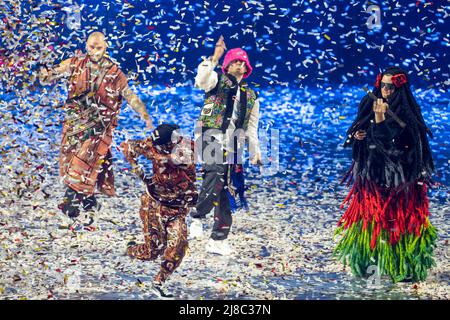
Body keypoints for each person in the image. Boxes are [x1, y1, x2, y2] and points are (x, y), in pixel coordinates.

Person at [39, 31, 153, 230]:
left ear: (105, 47)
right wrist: (43, 71)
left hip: (98, 129)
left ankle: (69, 207)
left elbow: (129, 95)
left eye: (99, 48)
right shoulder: (75, 63)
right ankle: (90, 204)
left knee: (81, 167)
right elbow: (50, 75)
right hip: (74, 126)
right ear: (86, 45)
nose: (95, 51)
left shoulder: (114, 72)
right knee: (70, 168)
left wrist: (145, 115)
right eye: (92, 47)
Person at [335, 67, 437, 282]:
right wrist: (358, 136)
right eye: (383, 85)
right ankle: (370, 262)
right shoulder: (369, 104)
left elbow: (393, 145)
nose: (385, 90)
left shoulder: (405, 113)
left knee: (401, 220)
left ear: (399, 88)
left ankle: (405, 264)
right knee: (372, 219)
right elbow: (357, 132)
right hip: (373, 175)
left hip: (401, 179)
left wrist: (380, 119)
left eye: (390, 87)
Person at [189, 35, 261, 255]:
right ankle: (196, 216)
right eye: (235, 61)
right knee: (215, 174)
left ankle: (218, 239)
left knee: (226, 189)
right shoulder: (217, 81)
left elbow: (251, 128)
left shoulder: (251, 95)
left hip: (233, 144)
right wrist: (215, 57)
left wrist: (254, 152)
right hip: (210, 136)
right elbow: (201, 79)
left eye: (243, 62)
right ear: (227, 65)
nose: (239, 64)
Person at [121, 123, 197, 298]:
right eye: (158, 145)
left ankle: (159, 282)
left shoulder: (186, 149)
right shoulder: (155, 146)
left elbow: (175, 160)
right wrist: (135, 165)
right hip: (154, 204)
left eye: (162, 145)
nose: (159, 147)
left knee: (178, 247)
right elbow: (129, 146)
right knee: (152, 252)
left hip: (177, 207)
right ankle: (130, 250)